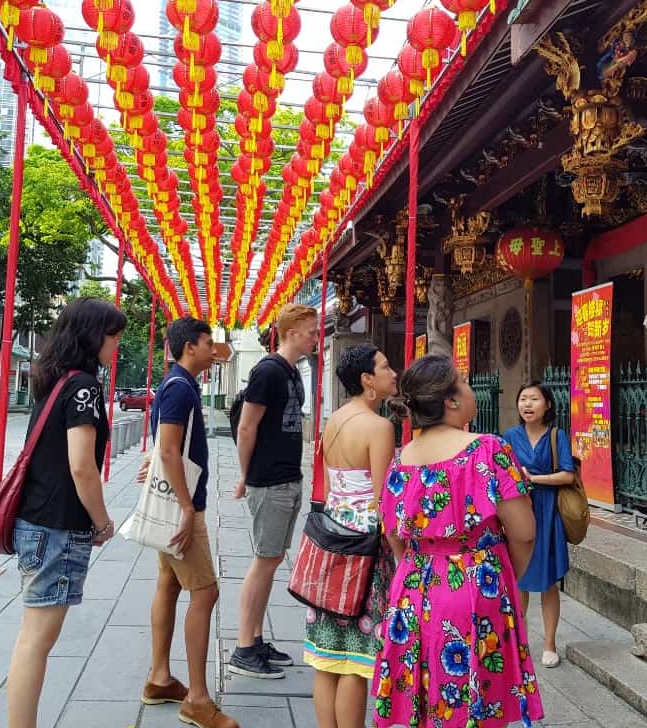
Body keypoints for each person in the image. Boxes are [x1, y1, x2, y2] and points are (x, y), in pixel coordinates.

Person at [373, 355, 544, 728]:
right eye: (464, 382)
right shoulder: (488, 449)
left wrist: (419, 565)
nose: (470, 388)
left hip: (413, 588)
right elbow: (525, 532)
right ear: (450, 400)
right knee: (472, 700)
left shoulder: (401, 459)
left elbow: (392, 530)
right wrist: (498, 573)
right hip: (475, 582)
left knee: (427, 698)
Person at [6, 298, 124, 728]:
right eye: (113, 336)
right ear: (94, 336)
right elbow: (81, 464)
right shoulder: (84, 387)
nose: (115, 346)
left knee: (32, 637)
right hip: (57, 525)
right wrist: (102, 521)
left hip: (37, 519)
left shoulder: (55, 380)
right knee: (36, 640)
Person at [139, 317, 238, 728]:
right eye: (207, 343)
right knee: (205, 592)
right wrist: (184, 507)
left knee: (169, 583)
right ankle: (197, 699)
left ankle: (159, 677)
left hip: (175, 504)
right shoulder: (180, 387)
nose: (213, 351)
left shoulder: (175, 383)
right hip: (183, 509)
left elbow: (163, 446)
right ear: (189, 348)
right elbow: (167, 450)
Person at [305, 344, 398, 728]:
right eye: (386, 366)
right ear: (367, 381)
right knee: (358, 661)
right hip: (364, 548)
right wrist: (402, 554)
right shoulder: (379, 427)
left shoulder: (334, 419)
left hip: (330, 541)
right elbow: (383, 501)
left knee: (327, 657)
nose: (394, 372)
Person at [230, 303, 318, 678]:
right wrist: (243, 474)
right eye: (311, 331)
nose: (316, 336)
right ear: (292, 331)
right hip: (268, 480)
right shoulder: (268, 370)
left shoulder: (292, 372)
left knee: (272, 559)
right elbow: (247, 427)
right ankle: (243, 647)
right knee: (265, 560)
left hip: (288, 477)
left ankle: (256, 637)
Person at [502, 381, 575, 668]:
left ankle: (549, 643)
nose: (527, 404)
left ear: (548, 405)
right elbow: (503, 474)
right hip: (519, 512)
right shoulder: (510, 436)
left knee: (547, 583)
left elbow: (567, 475)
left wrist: (533, 479)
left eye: (534, 399)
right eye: (523, 399)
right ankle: (519, 644)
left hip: (548, 513)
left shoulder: (557, 436)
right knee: (518, 582)